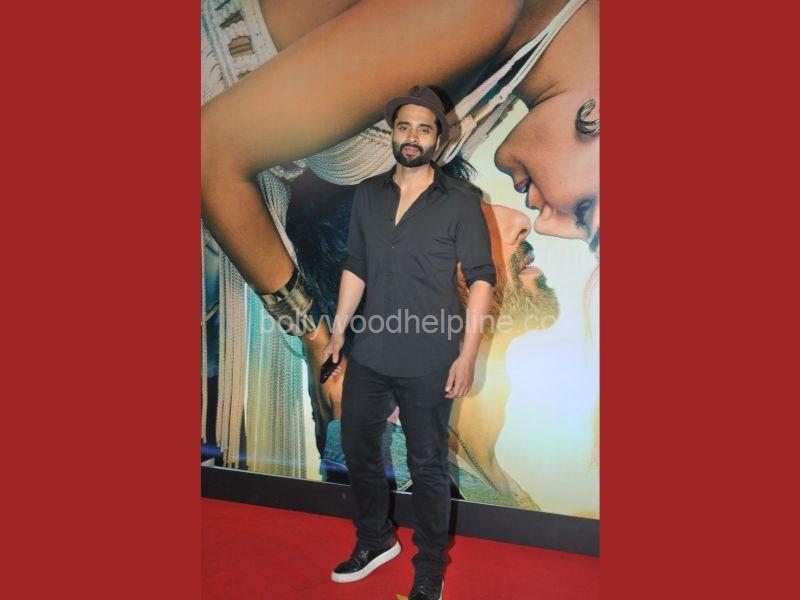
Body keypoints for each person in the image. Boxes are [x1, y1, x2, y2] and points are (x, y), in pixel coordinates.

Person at [200, 1, 596, 461]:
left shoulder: (509, 47)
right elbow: (209, 152)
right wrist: (314, 338)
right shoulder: (478, 12)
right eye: (585, 210)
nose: (544, 224)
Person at [324, 86, 495, 600]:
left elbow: (481, 277)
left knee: (427, 465)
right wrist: (339, 329)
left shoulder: (461, 201)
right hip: (370, 351)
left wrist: (467, 354)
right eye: (404, 127)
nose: (413, 136)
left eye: (424, 128)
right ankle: (375, 539)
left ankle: (430, 566)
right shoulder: (367, 194)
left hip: (430, 357)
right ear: (392, 134)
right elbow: (356, 264)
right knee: (358, 449)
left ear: (438, 138)